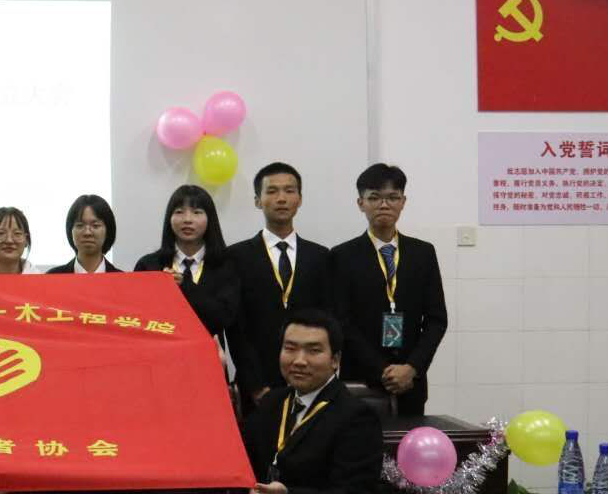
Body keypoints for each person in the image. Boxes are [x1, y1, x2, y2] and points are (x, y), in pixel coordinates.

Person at [330, 163, 448, 417]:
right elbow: (341, 322)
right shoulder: (342, 256)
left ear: (403, 202)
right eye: (375, 197)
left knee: (409, 441)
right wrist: (381, 370)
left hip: (411, 381)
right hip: (361, 380)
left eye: (393, 197)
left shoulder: (423, 253)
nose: (384, 205)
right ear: (361, 203)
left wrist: (412, 368)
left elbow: (437, 320)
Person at [240, 309, 382, 494]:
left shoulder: (357, 418)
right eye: (290, 348)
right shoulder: (271, 402)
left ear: (335, 360)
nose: (299, 361)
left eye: (313, 351)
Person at [225, 162, 333, 406]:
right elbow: (236, 329)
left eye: (289, 190)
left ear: (300, 199)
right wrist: (255, 386)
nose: (281, 198)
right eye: (272, 191)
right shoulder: (236, 257)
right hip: (256, 385)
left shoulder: (320, 256)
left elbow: (328, 320)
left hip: (312, 380)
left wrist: (321, 376)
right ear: (257, 200)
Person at [132, 184, 241, 338]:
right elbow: (137, 318)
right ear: (169, 218)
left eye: (197, 212)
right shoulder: (149, 265)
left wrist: (184, 285)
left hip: (208, 350)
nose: (187, 219)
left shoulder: (225, 265)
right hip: (160, 349)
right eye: (179, 212)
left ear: (210, 219)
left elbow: (224, 318)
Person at [46, 194, 121, 274]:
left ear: (108, 230)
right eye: (80, 225)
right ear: (70, 230)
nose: (87, 232)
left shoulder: (122, 279)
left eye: (95, 226)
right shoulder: (52, 277)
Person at [0, 206, 44, 274]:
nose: (9, 240)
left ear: (26, 240)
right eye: (1, 233)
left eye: (17, 233)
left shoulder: (41, 280)